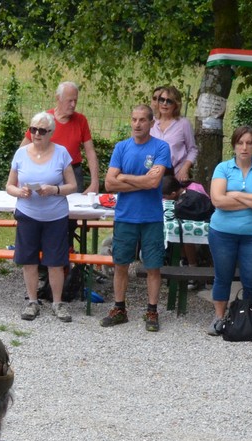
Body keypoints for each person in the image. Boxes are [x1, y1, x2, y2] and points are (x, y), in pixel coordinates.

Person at [101, 104, 172, 332]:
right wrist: (141, 181)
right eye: (134, 119)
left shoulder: (161, 147)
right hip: (125, 216)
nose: (137, 124)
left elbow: (154, 182)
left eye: (142, 120)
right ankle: (119, 308)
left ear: (151, 123)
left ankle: (152, 311)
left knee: (153, 266)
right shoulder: (121, 147)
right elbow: (109, 184)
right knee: (121, 264)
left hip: (151, 217)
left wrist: (124, 177)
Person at [6, 111, 75, 322]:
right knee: (29, 260)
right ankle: (32, 301)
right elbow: (9, 186)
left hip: (55, 216)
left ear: (51, 132)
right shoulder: (21, 154)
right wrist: (20, 192)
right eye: (33, 129)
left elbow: (73, 186)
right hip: (28, 214)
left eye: (42, 131)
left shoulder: (62, 153)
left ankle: (57, 303)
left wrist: (54, 189)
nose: (36, 134)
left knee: (56, 261)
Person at [207, 126, 252, 335]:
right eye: (240, 143)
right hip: (222, 232)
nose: (244, 147)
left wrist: (235, 194)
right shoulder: (223, 168)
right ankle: (219, 317)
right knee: (222, 276)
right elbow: (218, 200)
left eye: (249, 143)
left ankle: (249, 317)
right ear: (234, 145)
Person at [150, 85, 201, 266]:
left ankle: (190, 263)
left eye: (169, 101)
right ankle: (156, 258)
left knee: (181, 220)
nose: (164, 104)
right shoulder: (151, 123)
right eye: (161, 99)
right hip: (154, 178)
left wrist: (185, 167)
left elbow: (193, 149)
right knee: (155, 219)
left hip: (175, 179)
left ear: (176, 104)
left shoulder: (183, 124)